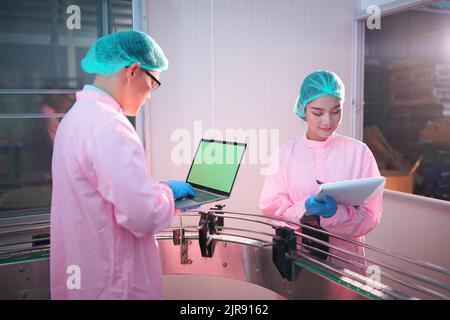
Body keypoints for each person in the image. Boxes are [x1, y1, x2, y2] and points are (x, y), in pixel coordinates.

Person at [50, 30, 195, 299]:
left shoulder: (74, 118)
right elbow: (143, 214)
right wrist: (167, 194)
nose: (150, 95)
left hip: (87, 278)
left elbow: (107, 194)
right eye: (152, 85)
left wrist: (154, 191)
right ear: (133, 71)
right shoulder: (110, 126)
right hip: (114, 285)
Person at [259, 70, 382, 271]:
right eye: (317, 112)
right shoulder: (284, 154)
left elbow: (370, 217)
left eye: (335, 111)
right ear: (303, 109)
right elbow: (271, 208)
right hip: (297, 258)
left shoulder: (358, 153)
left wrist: (335, 214)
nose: (327, 121)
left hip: (346, 262)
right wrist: (303, 211)